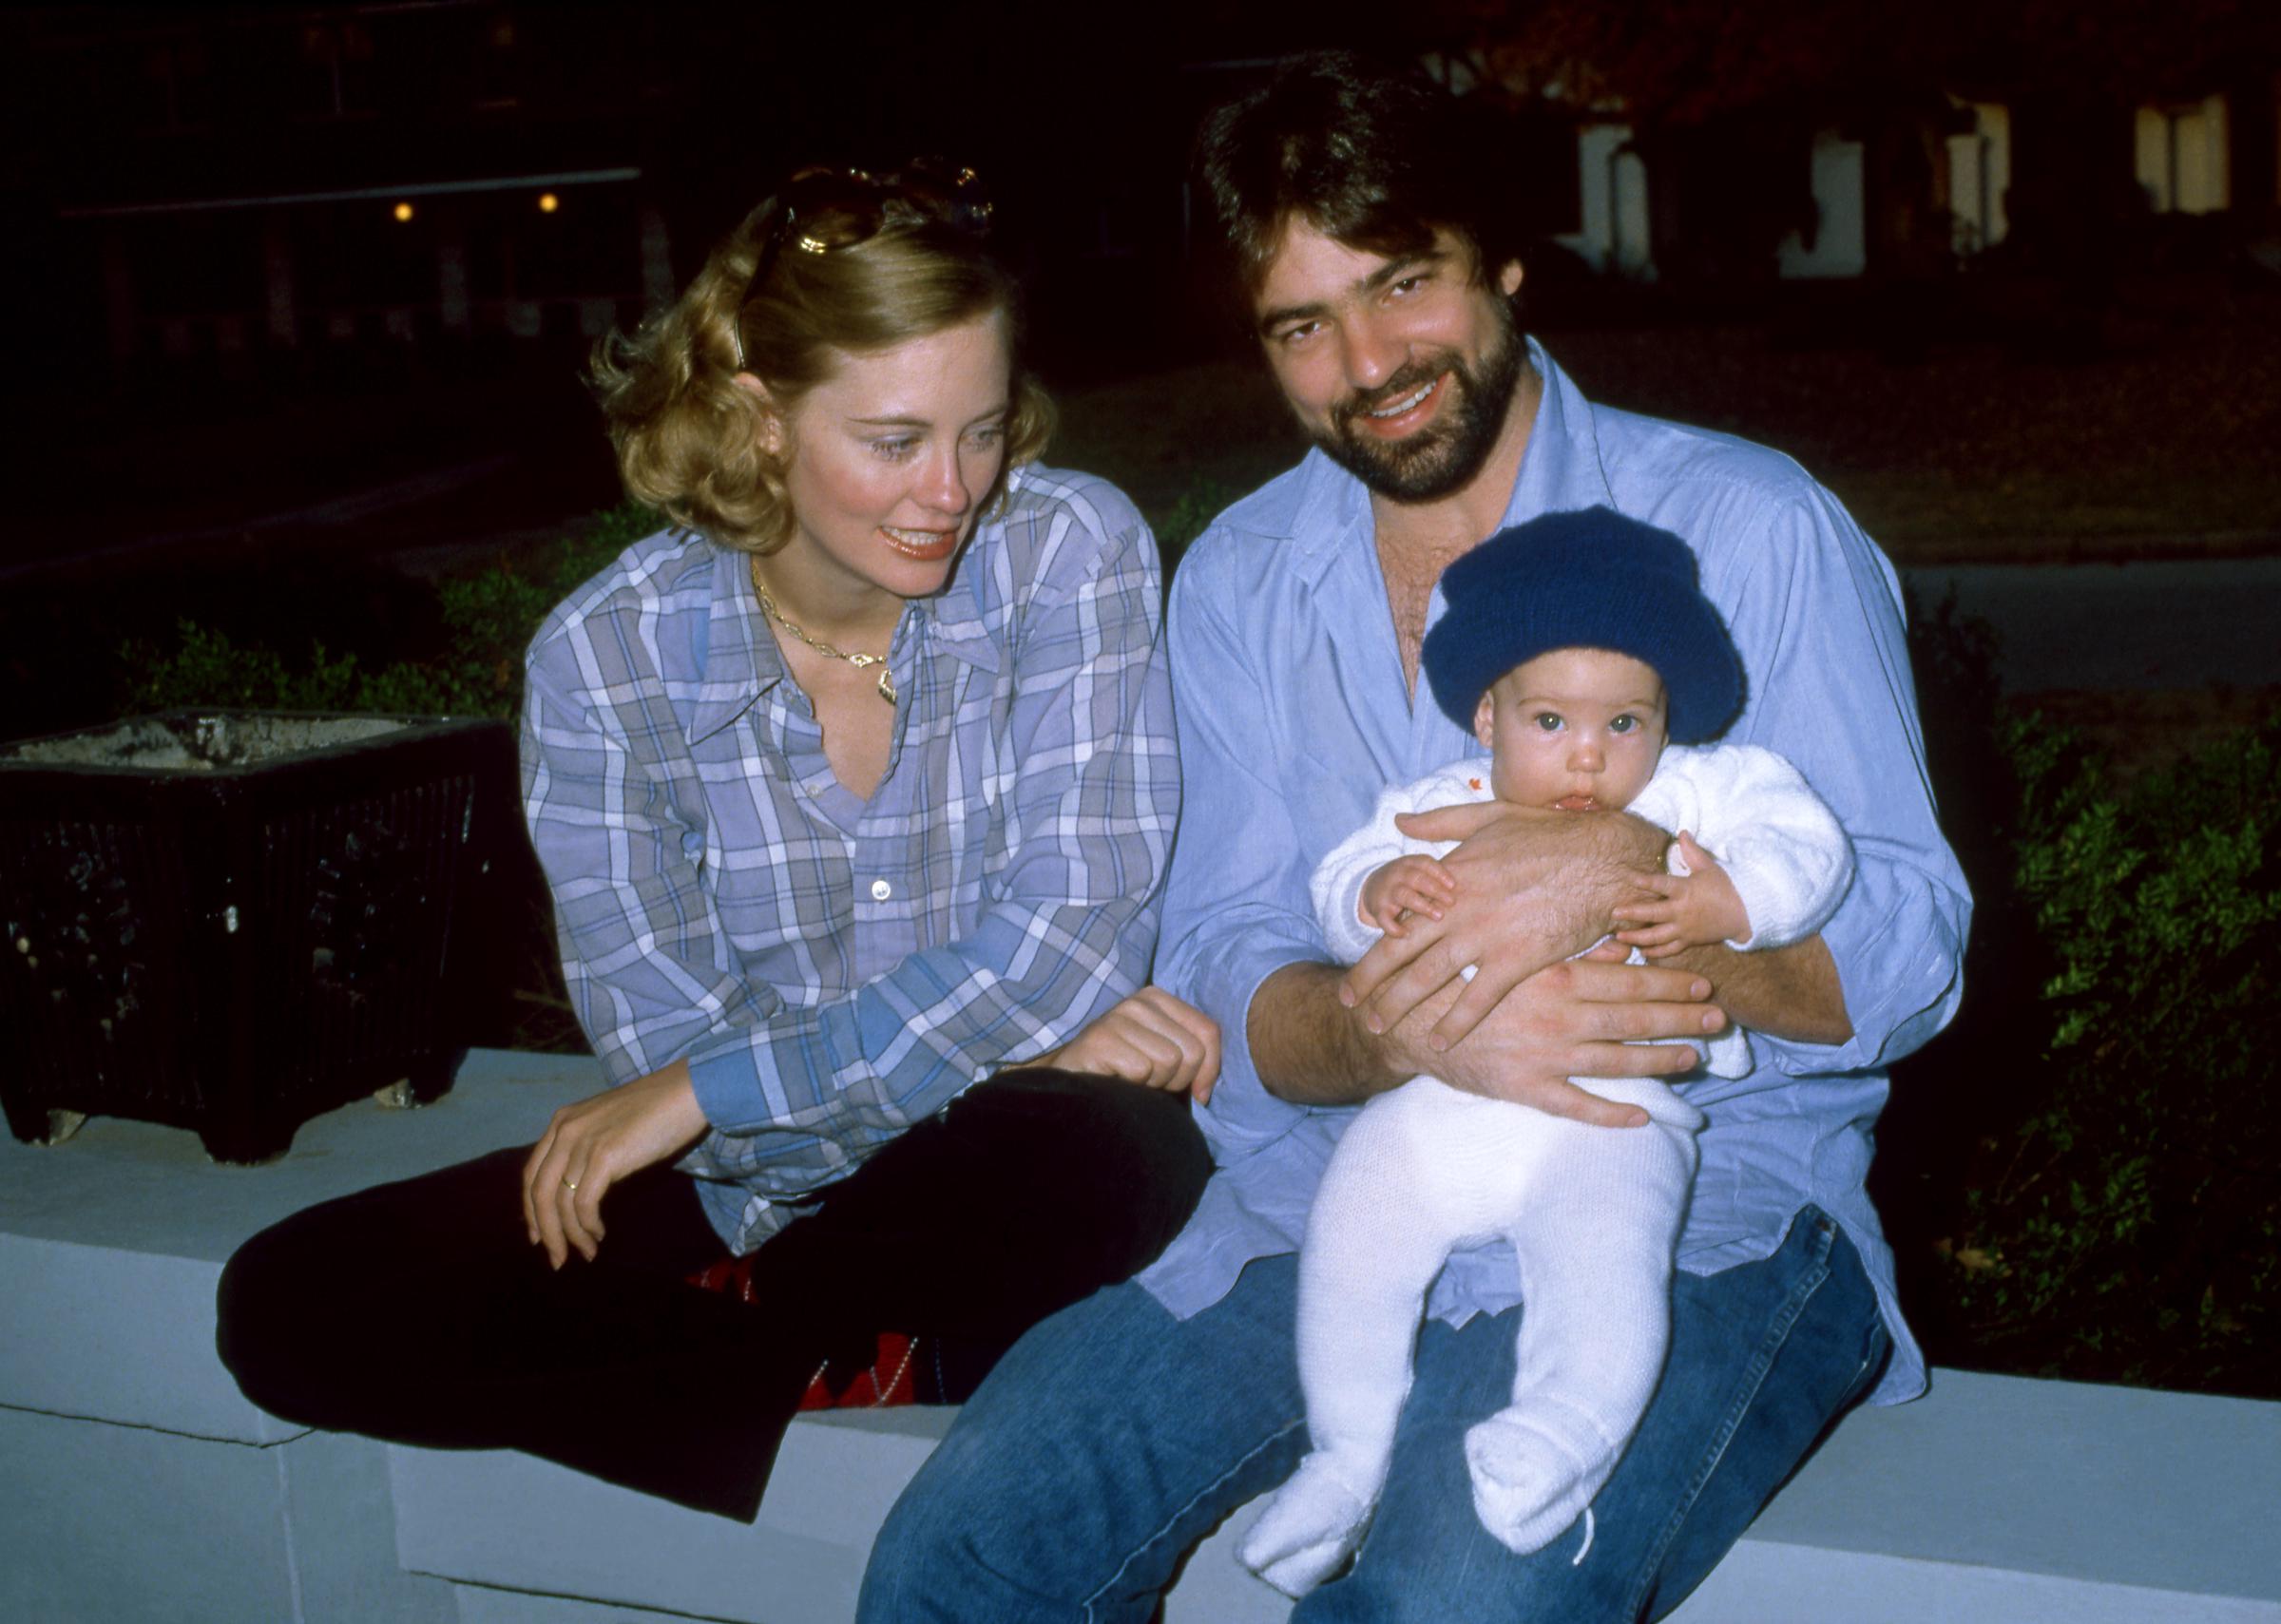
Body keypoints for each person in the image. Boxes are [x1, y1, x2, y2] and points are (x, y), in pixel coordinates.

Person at [860, 55, 1969, 1623]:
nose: (1367, 364)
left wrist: (1646, 902)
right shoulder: (1242, 580)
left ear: (1503, 261)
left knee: (1442, 1597)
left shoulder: (1751, 527)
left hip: (1712, 1191)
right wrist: (1365, 1022)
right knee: (960, 1557)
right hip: (1335, 1188)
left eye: (1402, 285)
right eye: (1301, 325)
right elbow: (1223, 951)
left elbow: (1914, 942)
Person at [215, 161, 1217, 1521]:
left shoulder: (1068, 551)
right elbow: (663, 1035)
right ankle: (813, 1348)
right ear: (757, 419)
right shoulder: (607, 658)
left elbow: (1072, 934)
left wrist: (726, 1089)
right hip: (753, 1193)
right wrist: (1010, 1037)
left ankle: (762, 1342)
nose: (954, 490)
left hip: (995, 1160)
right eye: (895, 439)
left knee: (1108, 1155)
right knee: (288, 1305)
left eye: (983, 430)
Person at [1242, 507, 1854, 1596]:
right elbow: (1341, 882)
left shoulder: (1697, 794)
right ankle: (1343, 1454)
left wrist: (1730, 897)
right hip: (1438, 1108)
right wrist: (1375, 895)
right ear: (1488, 715)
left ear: (1668, 715)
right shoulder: (1439, 806)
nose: (1588, 753)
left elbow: (1808, 844)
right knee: (1354, 1232)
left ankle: (1565, 1433)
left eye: (1626, 720)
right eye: (1550, 719)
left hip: (1613, 1116)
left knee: (1606, 1263)